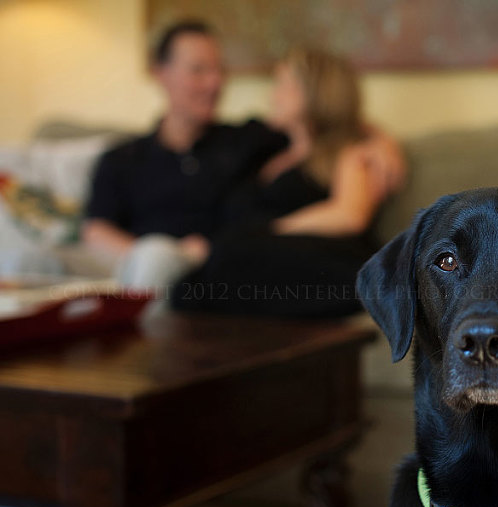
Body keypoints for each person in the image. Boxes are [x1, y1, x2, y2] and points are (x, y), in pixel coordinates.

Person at [81, 21, 403, 290]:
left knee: (165, 264)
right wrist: (147, 257)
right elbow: (94, 231)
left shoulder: (247, 140)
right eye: (198, 70)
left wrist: (382, 142)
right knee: (44, 259)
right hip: (143, 262)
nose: (215, 82)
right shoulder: (121, 157)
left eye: (219, 70)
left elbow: (331, 122)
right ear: (160, 73)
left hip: (213, 265)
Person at [169, 47, 399, 317]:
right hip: (259, 260)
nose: (272, 95)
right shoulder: (269, 146)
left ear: (315, 94)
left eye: (283, 85)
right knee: (190, 288)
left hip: (325, 261)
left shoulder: (350, 152)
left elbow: (350, 215)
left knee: (221, 266)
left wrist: (270, 231)